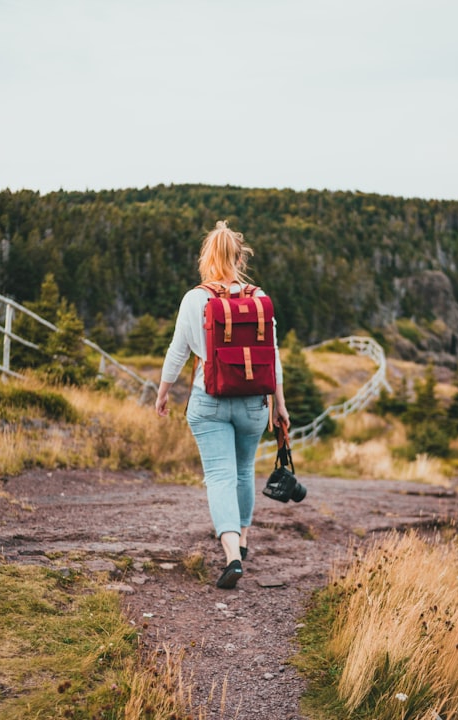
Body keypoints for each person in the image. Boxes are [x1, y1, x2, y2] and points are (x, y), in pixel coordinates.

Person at [155, 220, 289, 589]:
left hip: (209, 398)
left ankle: (231, 554)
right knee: (245, 471)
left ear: (207, 257)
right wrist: (280, 404)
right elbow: (272, 355)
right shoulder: (260, 299)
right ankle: (243, 540)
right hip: (253, 403)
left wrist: (163, 392)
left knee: (219, 476)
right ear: (238, 256)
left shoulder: (195, 298)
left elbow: (177, 351)